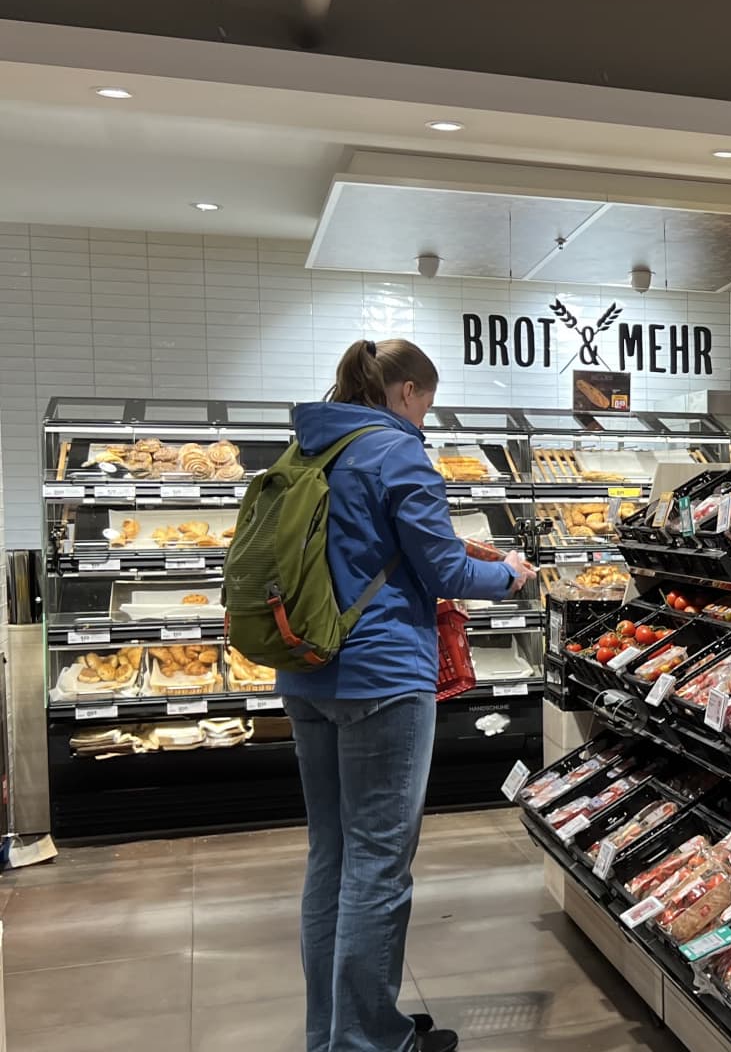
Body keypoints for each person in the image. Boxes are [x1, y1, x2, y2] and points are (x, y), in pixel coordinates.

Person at [281, 339, 535, 1052]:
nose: (425, 416)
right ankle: (370, 1040)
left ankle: (332, 1033)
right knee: (378, 862)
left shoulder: (308, 447)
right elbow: (444, 569)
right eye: (427, 401)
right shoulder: (395, 451)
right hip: (382, 677)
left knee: (331, 855)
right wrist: (509, 574)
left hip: (305, 670)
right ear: (406, 392)